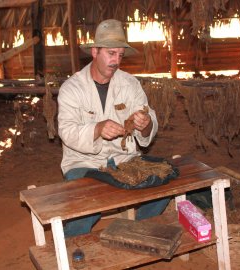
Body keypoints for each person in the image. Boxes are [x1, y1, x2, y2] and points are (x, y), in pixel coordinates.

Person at [57, 19, 170, 237]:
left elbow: (148, 119)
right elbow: (67, 131)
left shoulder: (129, 84)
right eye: (111, 53)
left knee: (163, 183)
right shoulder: (72, 88)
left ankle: (136, 230)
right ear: (95, 51)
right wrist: (97, 129)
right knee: (89, 201)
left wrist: (145, 125)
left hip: (123, 159)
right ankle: (70, 245)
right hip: (84, 163)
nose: (116, 60)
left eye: (120, 54)